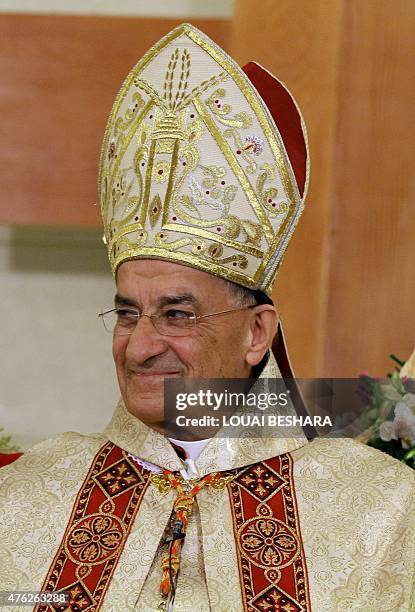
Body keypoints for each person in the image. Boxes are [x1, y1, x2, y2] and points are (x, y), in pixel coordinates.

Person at [0, 23, 414, 612]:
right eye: (126, 313)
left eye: (176, 315)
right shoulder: (21, 500)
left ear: (256, 333)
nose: (139, 347)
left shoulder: (383, 516)